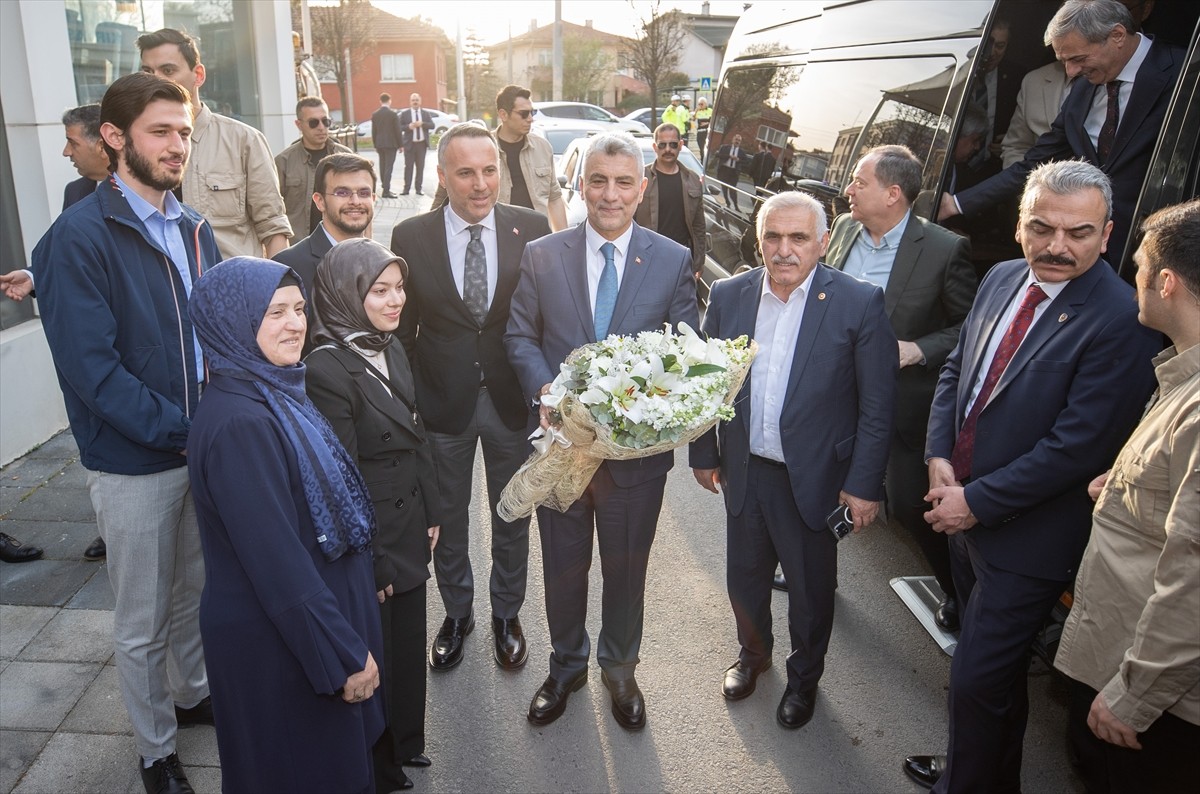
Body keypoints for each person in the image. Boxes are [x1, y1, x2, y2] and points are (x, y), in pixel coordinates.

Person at [903, 160, 1162, 793]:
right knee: (988, 680)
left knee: (976, 676)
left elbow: (1076, 449)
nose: (1056, 246)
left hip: (1029, 539)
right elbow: (956, 371)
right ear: (1019, 225)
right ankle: (986, 774)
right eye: (1041, 227)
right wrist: (939, 455)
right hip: (959, 510)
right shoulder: (998, 277)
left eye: (1078, 233)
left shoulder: (1122, 319)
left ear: (1107, 236)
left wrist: (975, 501)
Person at [33, 71, 221, 794]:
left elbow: (209, 333)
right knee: (140, 618)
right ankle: (154, 752)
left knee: (192, 593)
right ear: (114, 138)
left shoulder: (192, 224)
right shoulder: (76, 238)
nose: (178, 146)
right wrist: (183, 432)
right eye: (161, 132)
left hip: (195, 447)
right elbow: (92, 372)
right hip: (133, 462)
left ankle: (192, 694)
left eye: (184, 132)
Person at [506, 132, 699, 730]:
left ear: (642, 188)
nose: (610, 194)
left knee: (625, 570)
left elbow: (686, 354)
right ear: (580, 184)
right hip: (565, 453)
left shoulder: (670, 258)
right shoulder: (543, 254)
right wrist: (548, 392)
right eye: (598, 180)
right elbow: (519, 336)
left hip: (634, 465)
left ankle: (620, 668)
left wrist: (652, 403)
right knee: (564, 568)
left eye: (623, 182)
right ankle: (567, 665)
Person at [689, 191, 897, 728]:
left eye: (798, 238)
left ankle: (804, 680)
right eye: (773, 238)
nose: (784, 250)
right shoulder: (731, 295)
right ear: (758, 242)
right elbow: (703, 380)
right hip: (746, 471)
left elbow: (877, 406)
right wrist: (703, 451)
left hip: (815, 480)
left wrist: (863, 485)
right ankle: (752, 657)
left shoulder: (858, 302)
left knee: (810, 593)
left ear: (823, 242)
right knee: (744, 579)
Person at [186, 258, 384, 794]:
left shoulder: (270, 391)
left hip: (293, 636)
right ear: (232, 324)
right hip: (279, 648)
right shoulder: (241, 423)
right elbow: (278, 565)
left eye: (298, 309)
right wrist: (341, 653)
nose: (295, 324)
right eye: (274, 313)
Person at [392, 123, 551, 673]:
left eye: (489, 170)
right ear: (443, 176)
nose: (480, 184)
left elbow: (543, 320)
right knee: (448, 516)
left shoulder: (531, 228)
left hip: (512, 401)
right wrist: (411, 399)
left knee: (512, 513)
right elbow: (402, 330)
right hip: (442, 406)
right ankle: (458, 612)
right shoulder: (411, 236)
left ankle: (507, 614)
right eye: (466, 172)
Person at [1054, 198, 1200, 794]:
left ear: (1166, 282)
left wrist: (1133, 696)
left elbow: (1193, 578)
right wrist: (1118, 491)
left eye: (1138, 265)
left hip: (1158, 704)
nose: (1131, 276)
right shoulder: (1181, 376)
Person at [305, 238, 441, 793]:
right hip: (374, 534)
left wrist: (432, 509)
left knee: (409, 642)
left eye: (399, 288)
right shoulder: (326, 367)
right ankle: (380, 767)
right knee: (376, 650)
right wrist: (375, 560)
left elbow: (417, 431)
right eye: (380, 290)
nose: (395, 301)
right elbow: (341, 476)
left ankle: (409, 743)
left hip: (409, 518)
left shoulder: (390, 345)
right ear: (345, 295)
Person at [825, 145, 977, 631]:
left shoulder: (943, 248)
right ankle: (817, 571)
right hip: (833, 389)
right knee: (821, 483)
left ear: (893, 194)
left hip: (900, 399)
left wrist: (918, 348)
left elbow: (970, 326)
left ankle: (958, 593)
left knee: (913, 505)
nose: (848, 189)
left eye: (858, 181)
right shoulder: (845, 229)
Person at [939, 0, 1187, 267]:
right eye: (1064, 61)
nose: (1071, 72)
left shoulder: (1184, 71)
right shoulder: (1083, 89)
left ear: (1117, 36)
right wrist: (956, 203)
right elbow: (1036, 162)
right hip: (1090, 254)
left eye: (1078, 59)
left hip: (1160, 254)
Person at [138, 27, 291, 258]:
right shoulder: (137, 143)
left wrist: (278, 288)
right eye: (148, 72)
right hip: (166, 287)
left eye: (168, 70)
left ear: (198, 75)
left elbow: (273, 227)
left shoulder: (244, 141)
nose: (156, 81)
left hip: (235, 288)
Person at [433, 85, 567, 231]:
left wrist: (564, 244)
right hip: (497, 238)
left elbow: (554, 197)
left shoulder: (543, 147)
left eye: (532, 113)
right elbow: (442, 198)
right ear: (503, 114)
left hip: (536, 236)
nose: (530, 119)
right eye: (524, 114)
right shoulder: (482, 148)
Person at [273, 152, 377, 342]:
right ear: (319, 201)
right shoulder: (287, 266)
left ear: (374, 199)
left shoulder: (384, 261)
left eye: (364, 193)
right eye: (342, 193)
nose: (355, 201)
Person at [634, 123, 707, 277]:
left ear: (681, 145)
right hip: (647, 260)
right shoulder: (640, 178)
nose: (668, 149)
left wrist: (699, 262)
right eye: (662, 145)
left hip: (682, 260)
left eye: (673, 144)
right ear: (655, 147)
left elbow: (699, 226)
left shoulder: (692, 180)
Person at [275, 97, 352, 239]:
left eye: (326, 121)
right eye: (313, 122)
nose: (321, 127)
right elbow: (274, 211)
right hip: (299, 245)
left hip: (339, 242)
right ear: (299, 124)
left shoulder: (346, 156)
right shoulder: (284, 162)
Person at [1000, 61, 1071, 169]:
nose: (1072, 69)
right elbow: (1016, 148)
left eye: (1079, 58)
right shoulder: (1034, 81)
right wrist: (1034, 183)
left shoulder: (1104, 82)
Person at [62, 104, 108, 209]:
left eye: (73, 143)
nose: (66, 152)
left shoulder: (145, 189)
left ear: (102, 147)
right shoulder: (74, 192)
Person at [398, 93, 434, 196]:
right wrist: (408, 127)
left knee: (420, 167)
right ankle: (406, 189)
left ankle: (419, 189)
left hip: (421, 145)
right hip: (409, 144)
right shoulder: (405, 114)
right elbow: (399, 127)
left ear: (420, 101)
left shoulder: (425, 114)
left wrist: (422, 124)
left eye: (417, 100)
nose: (415, 102)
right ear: (410, 101)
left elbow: (432, 125)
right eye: (413, 100)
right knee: (408, 167)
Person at [372, 93, 403, 198]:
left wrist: (375, 144)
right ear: (389, 101)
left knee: (382, 165)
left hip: (380, 143)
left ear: (380, 101)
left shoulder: (375, 114)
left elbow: (374, 131)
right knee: (389, 167)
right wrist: (401, 144)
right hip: (391, 143)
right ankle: (386, 190)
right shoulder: (393, 114)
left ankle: (384, 187)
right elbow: (397, 131)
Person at [715, 134, 745, 210]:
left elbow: (746, 161)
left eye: (739, 140)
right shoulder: (725, 147)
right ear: (733, 140)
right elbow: (718, 155)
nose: (737, 142)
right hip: (724, 170)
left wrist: (738, 160)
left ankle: (736, 206)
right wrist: (729, 156)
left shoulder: (741, 152)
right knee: (724, 188)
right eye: (736, 139)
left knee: (732, 190)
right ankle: (727, 202)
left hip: (734, 172)